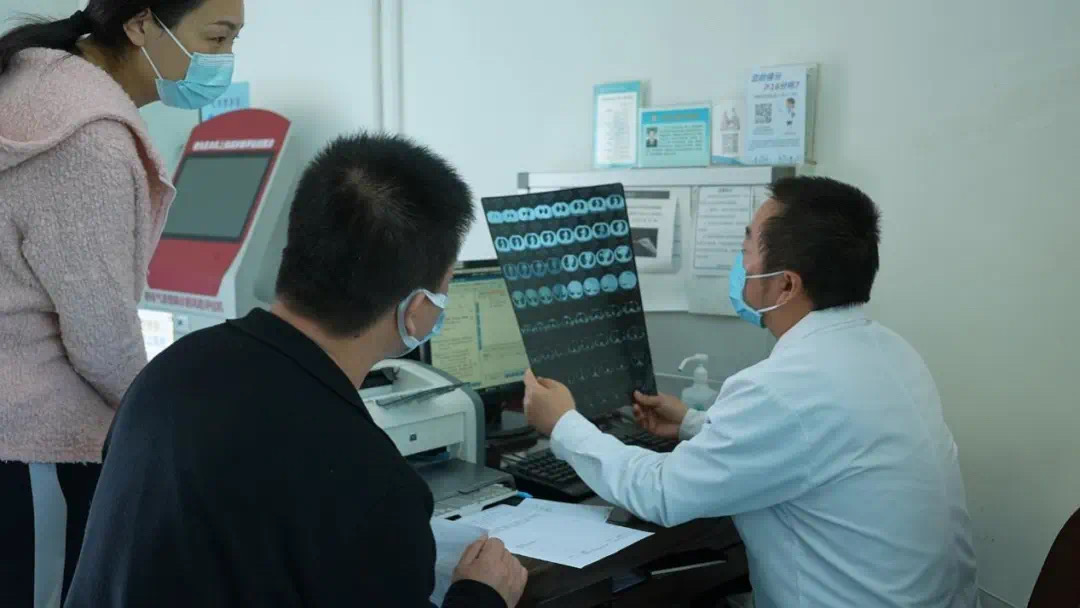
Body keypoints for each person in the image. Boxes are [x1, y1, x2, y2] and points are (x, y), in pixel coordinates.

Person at [66, 132, 528, 608]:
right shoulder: (371, 484)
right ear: (416, 310)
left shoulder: (167, 374)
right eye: (445, 286)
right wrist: (481, 595)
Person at [523, 176, 979, 608]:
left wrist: (563, 423)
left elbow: (661, 493)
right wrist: (692, 424)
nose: (741, 265)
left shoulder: (783, 388)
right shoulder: (890, 351)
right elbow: (813, 446)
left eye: (746, 250)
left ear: (786, 284)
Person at [0, 1, 240, 605]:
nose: (226, 60)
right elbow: (101, 341)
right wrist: (178, 423)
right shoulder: (91, 142)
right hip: (35, 442)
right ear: (140, 25)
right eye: (217, 38)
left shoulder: (28, 81)